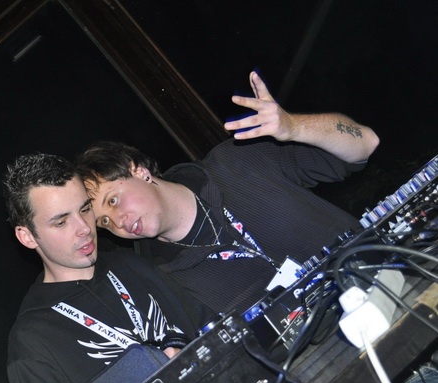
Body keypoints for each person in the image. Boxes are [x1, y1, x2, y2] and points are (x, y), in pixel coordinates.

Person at [74, 70, 380, 315]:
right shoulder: (165, 281)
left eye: (112, 200)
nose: (118, 222)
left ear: (139, 171)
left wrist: (294, 127)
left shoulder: (236, 161)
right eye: (104, 222)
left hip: (388, 282)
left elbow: (365, 143)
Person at [1, 153, 213, 383]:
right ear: (27, 236)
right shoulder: (33, 336)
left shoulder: (130, 263)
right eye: (61, 221)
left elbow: (212, 327)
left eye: (85, 209)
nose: (84, 229)